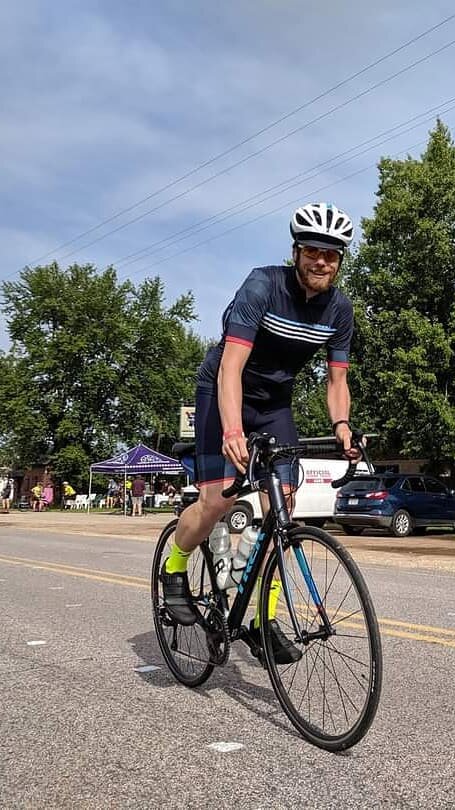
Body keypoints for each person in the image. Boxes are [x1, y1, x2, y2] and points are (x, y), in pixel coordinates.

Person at [160, 202, 359, 663]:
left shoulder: (340, 309)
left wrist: (343, 426)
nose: (321, 262)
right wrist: (232, 429)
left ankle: (262, 622)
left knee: (281, 515)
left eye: (331, 255)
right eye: (313, 251)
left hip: (274, 405)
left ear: (340, 260)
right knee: (218, 501)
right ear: (296, 251)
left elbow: (338, 381)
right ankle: (175, 567)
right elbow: (232, 365)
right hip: (223, 390)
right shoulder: (262, 286)